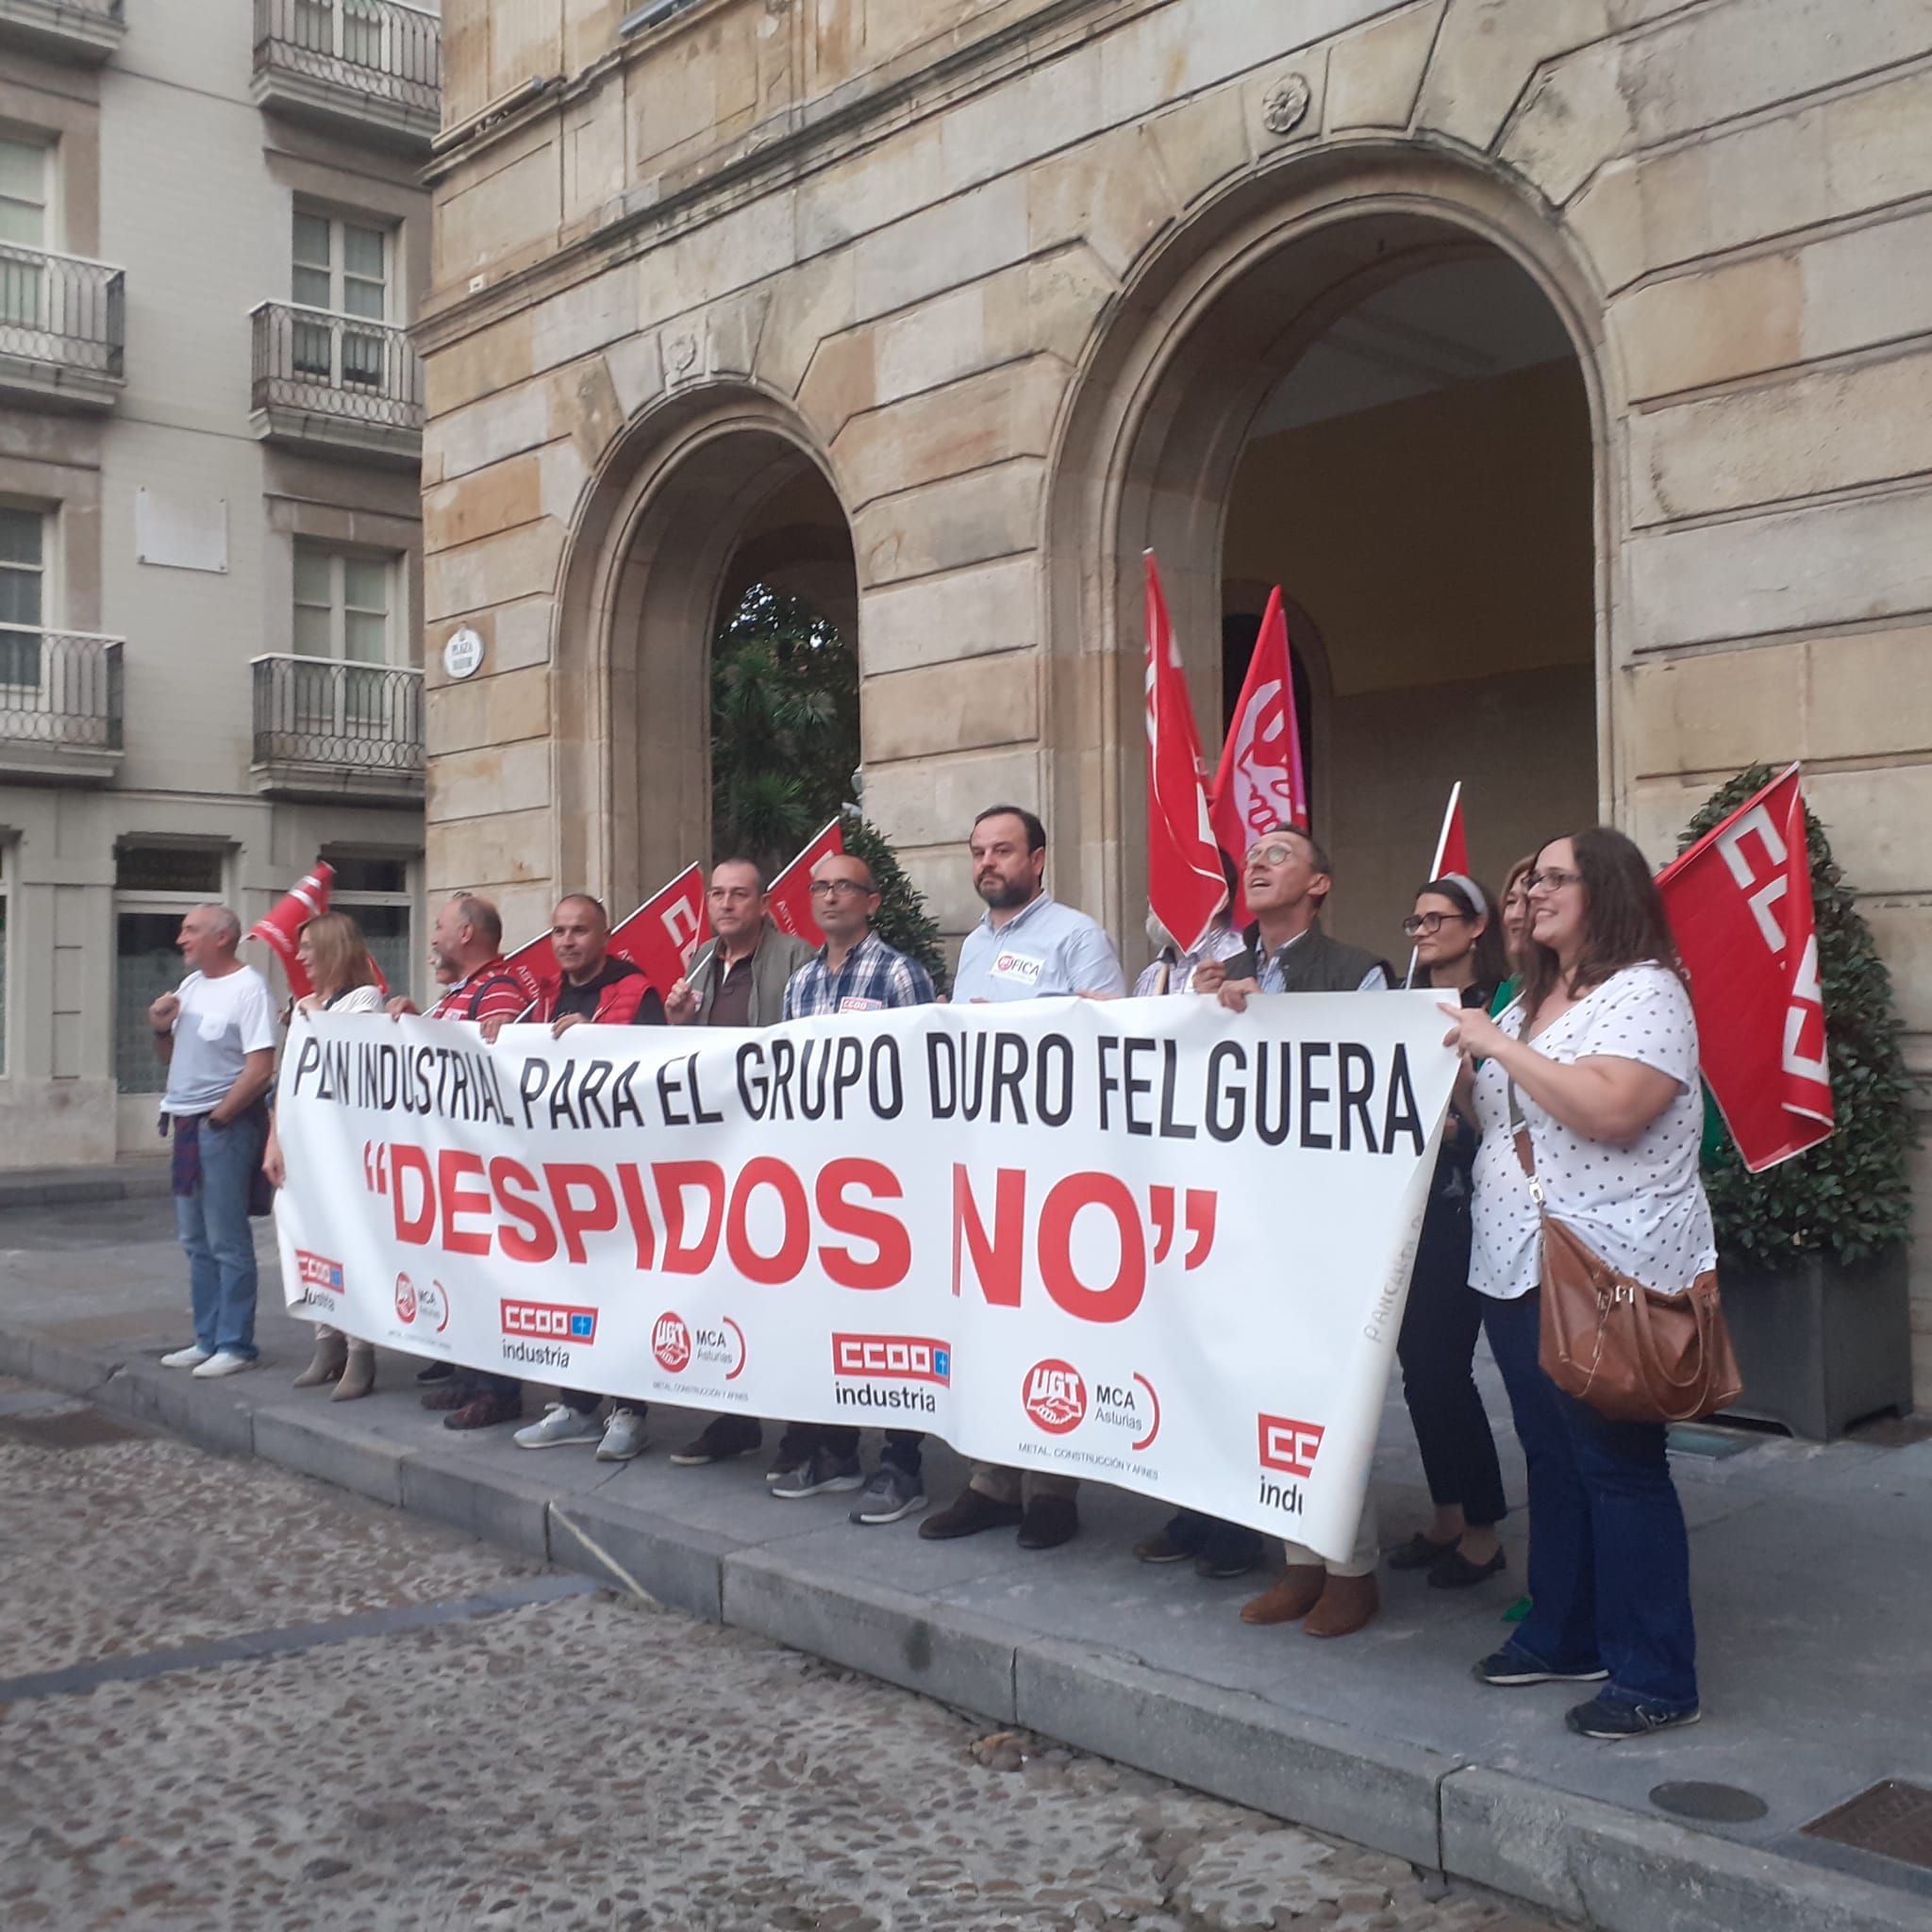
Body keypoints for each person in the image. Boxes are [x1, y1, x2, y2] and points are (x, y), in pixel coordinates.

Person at [1443, 828, 1711, 1740]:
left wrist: (1494, 1046)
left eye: (1555, 878)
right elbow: (1499, 1111)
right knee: (1555, 1460)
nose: (1534, 893)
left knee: (1621, 1470)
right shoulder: (1531, 1000)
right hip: (1517, 1261)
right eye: (1532, 880)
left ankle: (1657, 1673)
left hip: (1609, 1266)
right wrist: (1459, 1071)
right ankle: (1565, 1633)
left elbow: (1611, 1109)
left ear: (1607, 891)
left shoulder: (1648, 992)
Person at [1194, 824, 1391, 1638]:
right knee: (1267, 1386)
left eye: (1281, 856)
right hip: (1247, 1215)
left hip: (1330, 1216)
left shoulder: (1359, 972)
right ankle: (1299, 1562)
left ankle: (1353, 1566)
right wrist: (1192, 1007)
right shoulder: (1218, 972)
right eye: (1255, 857)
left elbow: (1380, 1075)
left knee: (1330, 1391)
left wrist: (1274, 1016)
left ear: (1319, 884)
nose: (1259, 865)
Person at [920, 805, 1126, 1552]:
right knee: (989, 1324)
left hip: (1057, 1168)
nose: (987, 864)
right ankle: (991, 1480)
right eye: (978, 851)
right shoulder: (975, 943)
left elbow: (1114, 1034)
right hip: (985, 1164)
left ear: (1038, 859)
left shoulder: (1076, 935)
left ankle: (1052, 1488)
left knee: (1050, 1325)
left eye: (1002, 850)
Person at [767, 849, 939, 1519]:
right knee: (828, 1315)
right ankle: (837, 1450)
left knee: (895, 1319)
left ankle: (902, 1461)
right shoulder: (799, 984)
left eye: (846, 887)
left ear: (872, 902)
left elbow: (927, 1077)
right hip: (820, 1176)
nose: (831, 896)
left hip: (887, 1179)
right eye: (820, 887)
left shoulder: (901, 974)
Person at [1125, 889, 1264, 1580]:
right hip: (1161, 1181)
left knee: (1229, 1356)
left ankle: (1239, 1523)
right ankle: (1190, 1508)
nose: (1160, 898)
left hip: (1228, 1185)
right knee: (1174, 1354)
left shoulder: (1244, 956)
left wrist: (1221, 1002)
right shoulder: (1154, 968)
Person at [663, 858, 815, 1472]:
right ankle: (734, 1414)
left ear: (763, 903)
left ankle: (803, 1429)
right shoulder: (700, 957)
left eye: (739, 895)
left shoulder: (795, 956)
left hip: (779, 1149)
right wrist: (675, 1024)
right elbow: (685, 1062)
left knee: (788, 1290)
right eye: (718, 895)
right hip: (716, 1152)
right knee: (726, 1285)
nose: (726, 905)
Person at [1385, 876, 1509, 1589]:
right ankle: (1447, 1515)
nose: (1424, 931)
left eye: (1438, 919)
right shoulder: (1400, 1003)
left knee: (1444, 1369)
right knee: (1420, 1371)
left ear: (1477, 927)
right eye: (1417, 918)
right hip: (1411, 1210)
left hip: (1469, 1209)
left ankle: (1484, 1530)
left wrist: (1457, 1123)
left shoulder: (1500, 1008)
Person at [511, 894, 665, 1463]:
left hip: (622, 1175)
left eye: (579, 931)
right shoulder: (543, 996)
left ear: (604, 936)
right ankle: (577, 1406)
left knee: (623, 1291)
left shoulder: (634, 990)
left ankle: (630, 1411)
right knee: (570, 1290)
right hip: (559, 1173)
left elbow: (654, 1070)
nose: (567, 941)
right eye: (558, 931)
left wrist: (597, 1038)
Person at [389, 893, 531, 1430]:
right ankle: (471, 1375)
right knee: (463, 1273)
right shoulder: (462, 992)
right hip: (452, 1166)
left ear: (467, 934)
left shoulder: (500, 989)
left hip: (486, 1168)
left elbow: (492, 1070)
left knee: (492, 1274)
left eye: (440, 927)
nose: (432, 937)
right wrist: (411, 1020)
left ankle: (499, 1390)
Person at [152, 904, 277, 1379]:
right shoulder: (191, 986)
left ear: (221, 937)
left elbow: (260, 1065)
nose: (181, 938)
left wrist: (220, 1119)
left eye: (191, 930)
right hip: (186, 1123)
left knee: (227, 1239)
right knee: (195, 1239)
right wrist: (160, 1027)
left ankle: (236, 1343)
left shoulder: (249, 988)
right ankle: (207, 1338)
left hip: (221, 1126)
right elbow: (170, 1057)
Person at [265, 912, 387, 1400]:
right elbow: (288, 1081)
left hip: (347, 1148)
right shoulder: (309, 1006)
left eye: (310, 948)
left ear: (334, 949)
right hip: (304, 1143)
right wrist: (273, 1138)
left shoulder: (364, 999)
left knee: (348, 1243)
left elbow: (345, 1056)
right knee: (308, 1242)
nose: (301, 958)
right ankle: (326, 1340)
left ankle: (361, 1349)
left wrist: (307, 1012)